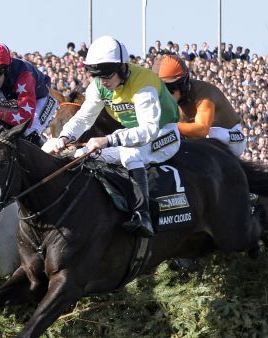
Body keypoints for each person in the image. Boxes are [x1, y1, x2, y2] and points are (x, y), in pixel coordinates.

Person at [42, 36, 181, 238]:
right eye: (97, 75)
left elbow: (148, 130)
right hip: (131, 133)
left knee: (131, 153)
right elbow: (83, 118)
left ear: (123, 67)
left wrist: (108, 140)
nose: (103, 81)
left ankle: (143, 216)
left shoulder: (143, 83)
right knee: (82, 153)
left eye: (107, 75)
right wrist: (64, 138)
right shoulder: (99, 85)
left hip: (163, 133)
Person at [153, 54, 247, 157]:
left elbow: (202, 130)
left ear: (182, 85)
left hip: (232, 137)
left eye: (168, 90)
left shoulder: (204, 94)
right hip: (199, 138)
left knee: (209, 134)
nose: (163, 96)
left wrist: (169, 126)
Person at [0, 41, 58, 145]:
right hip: (10, 100)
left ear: (6, 69)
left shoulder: (24, 74)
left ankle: (47, 153)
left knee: (29, 134)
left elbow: (25, 118)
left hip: (40, 100)